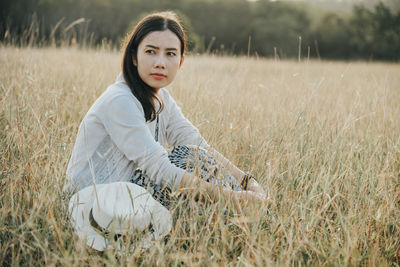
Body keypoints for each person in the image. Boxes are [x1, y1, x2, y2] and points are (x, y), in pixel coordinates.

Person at [66, 11, 267, 216]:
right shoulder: (119, 100)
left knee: (195, 156)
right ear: (134, 57)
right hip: (91, 204)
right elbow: (159, 169)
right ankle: (247, 216)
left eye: (170, 54)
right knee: (185, 159)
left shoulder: (162, 99)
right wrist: (234, 198)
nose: (160, 62)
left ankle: (251, 218)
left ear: (180, 61)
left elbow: (200, 146)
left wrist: (248, 182)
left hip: (128, 196)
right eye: (151, 51)